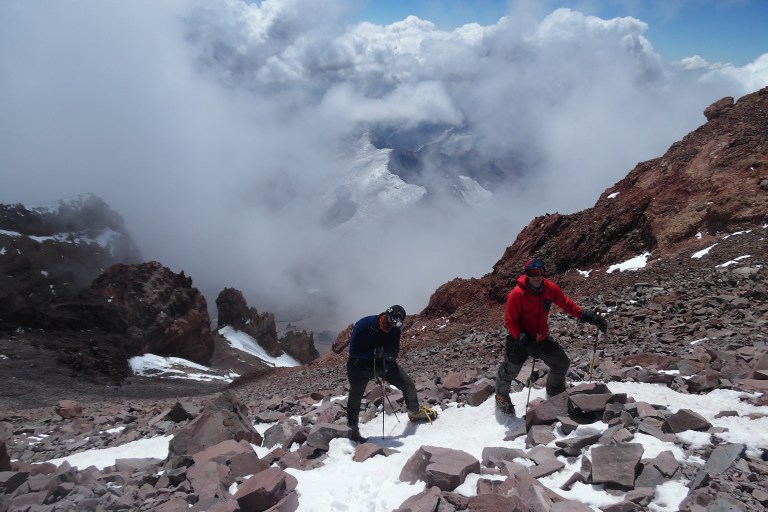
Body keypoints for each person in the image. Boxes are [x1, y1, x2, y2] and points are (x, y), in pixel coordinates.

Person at [495, 258, 607, 415]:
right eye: (533, 273)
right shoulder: (518, 294)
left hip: (541, 337)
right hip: (519, 339)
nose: (537, 276)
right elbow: (510, 321)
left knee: (561, 363)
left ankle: (554, 392)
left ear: (544, 273)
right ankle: (501, 397)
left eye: (540, 272)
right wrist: (525, 341)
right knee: (510, 372)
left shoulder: (550, 288)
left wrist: (587, 316)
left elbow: (567, 304)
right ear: (527, 274)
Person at [346, 305, 437, 442]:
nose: (393, 324)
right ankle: (353, 429)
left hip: (384, 365)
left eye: (398, 322)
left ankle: (414, 412)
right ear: (387, 314)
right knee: (355, 396)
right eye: (393, 319)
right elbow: (353, 351)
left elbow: (394, 352)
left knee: (407, 384)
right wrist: (374, 352)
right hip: (358, 366)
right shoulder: (364, 324)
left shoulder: (395, 331)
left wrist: (387, 354)